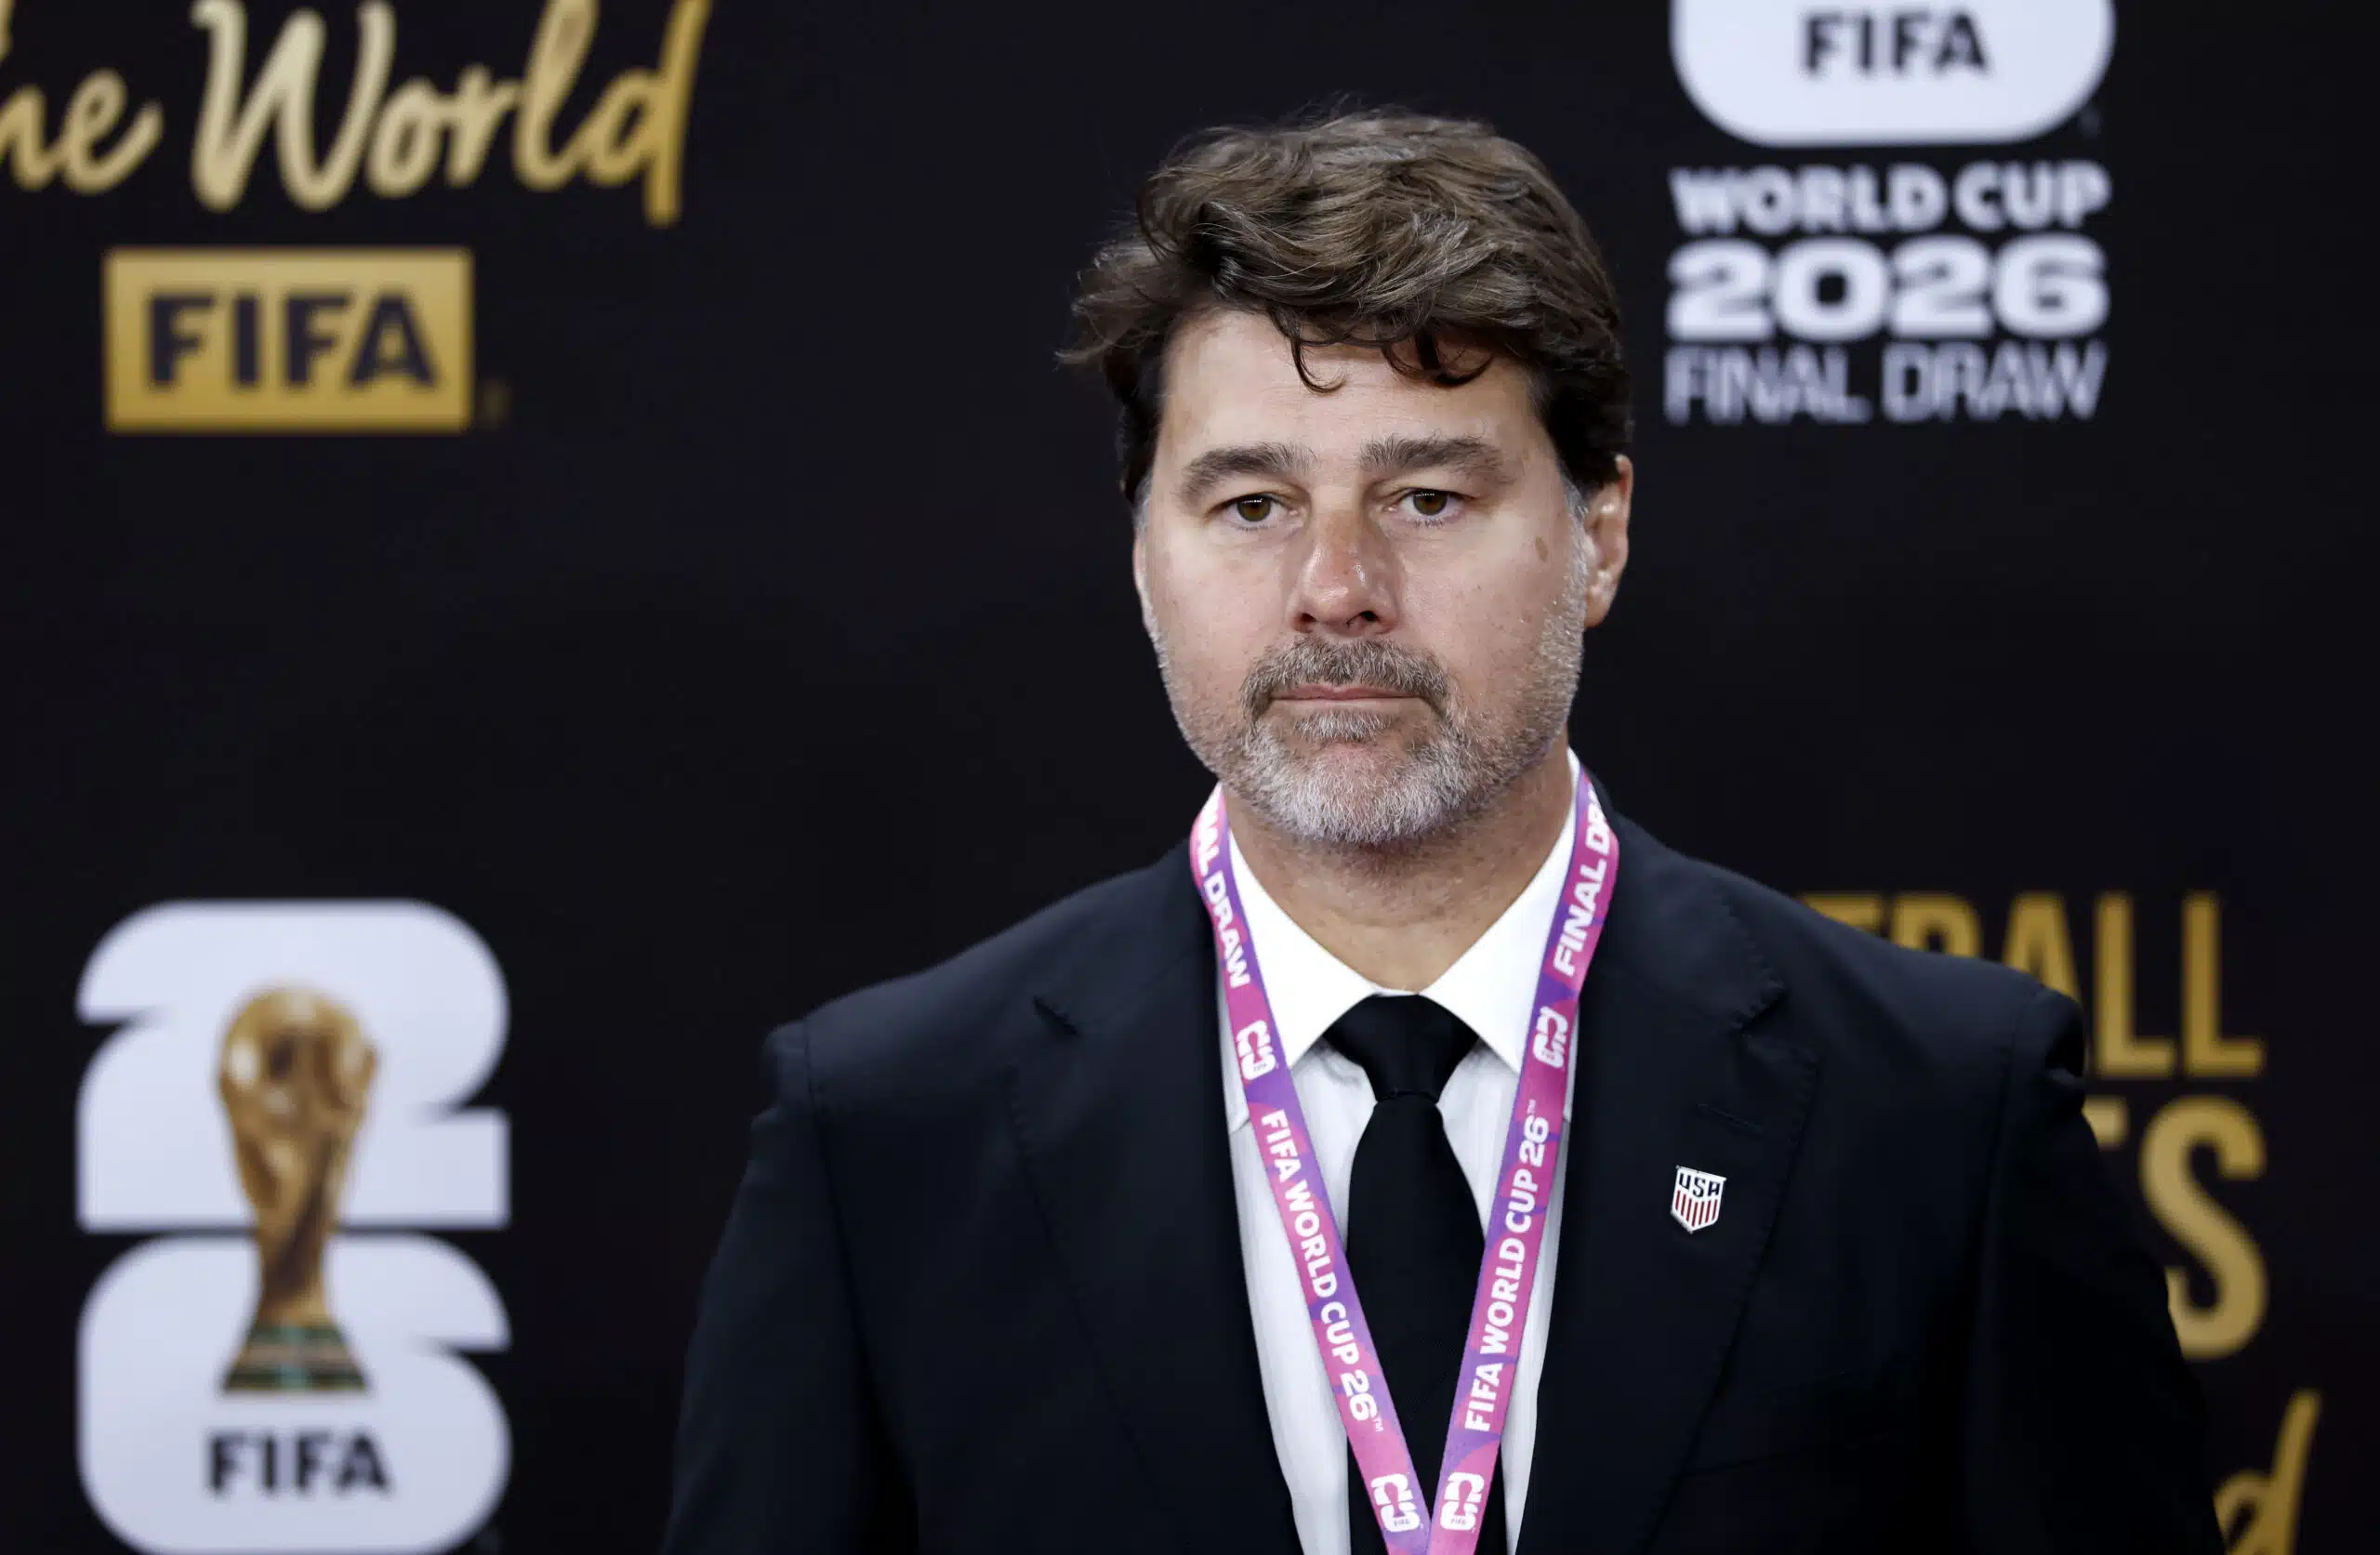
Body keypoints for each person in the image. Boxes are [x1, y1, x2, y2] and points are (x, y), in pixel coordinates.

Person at [657, 108, 2222, 1555]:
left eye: (1426, 498)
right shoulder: (888, 1134)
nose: (1335, 591)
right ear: (1143, 561)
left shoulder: (1940, 1110)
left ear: (1600, 535)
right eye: (1252, 505)